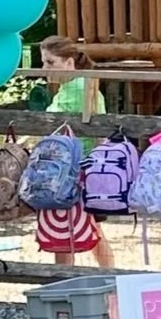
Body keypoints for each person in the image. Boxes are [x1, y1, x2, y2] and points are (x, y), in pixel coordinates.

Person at [34, 42, 113, 270]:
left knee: (70, 232)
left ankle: (71, 278)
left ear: (69, 63)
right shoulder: (77, 86)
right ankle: (108, 276)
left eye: (50, 62)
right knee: (87, 229)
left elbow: (51, 126)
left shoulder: (76, 89)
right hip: (81, 165)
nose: (44, 67)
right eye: (44, 62)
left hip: (72, 170)